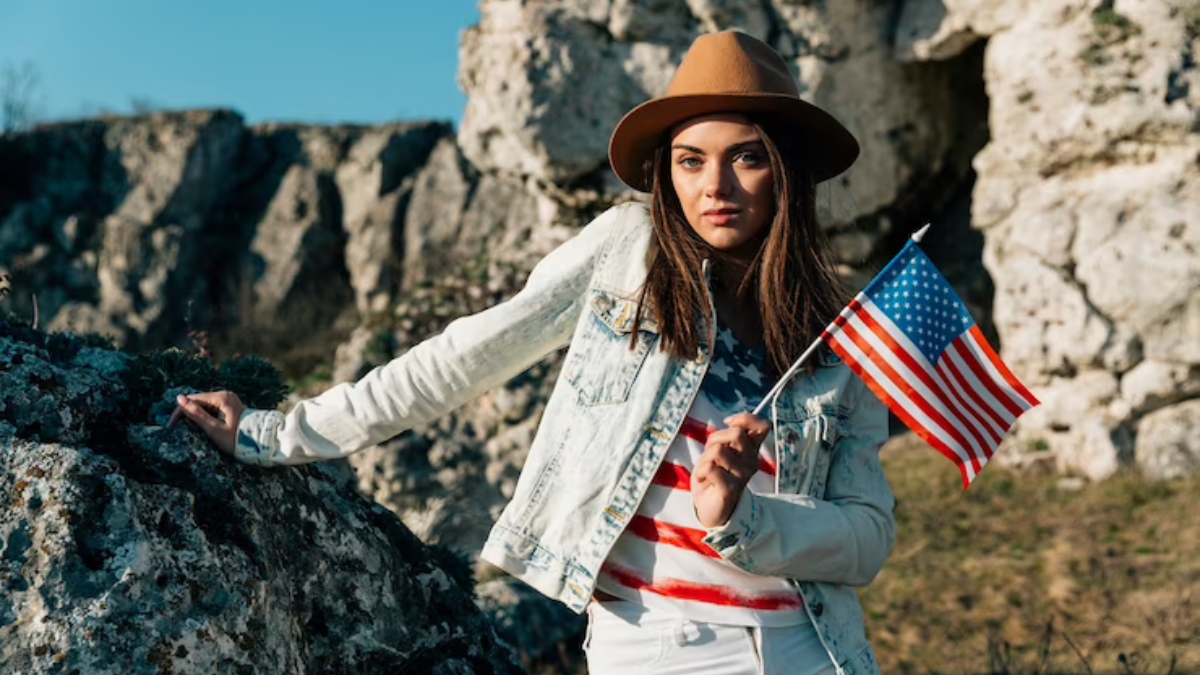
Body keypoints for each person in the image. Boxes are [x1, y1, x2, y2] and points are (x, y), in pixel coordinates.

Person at [171, 30, 894, 675]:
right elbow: (459, 359)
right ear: (666, 172)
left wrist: (742, 518)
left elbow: (868, 536)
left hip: (815, 649)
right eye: (690, 160)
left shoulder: (836, 336)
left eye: (747, 157)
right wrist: (275, 434)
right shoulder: (627, 251)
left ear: (786, 171)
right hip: (657, 643)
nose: (715, 186)